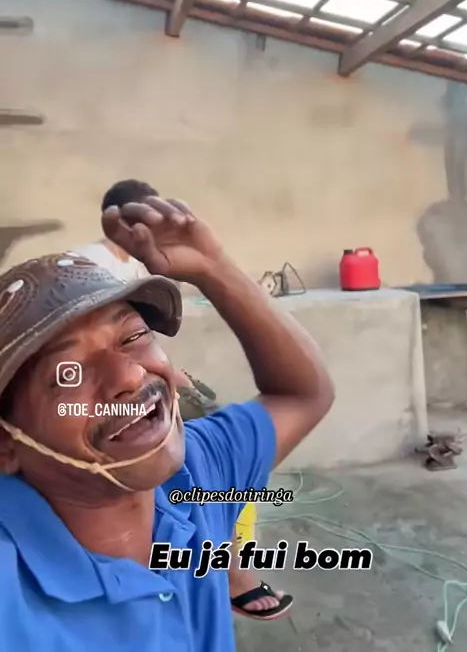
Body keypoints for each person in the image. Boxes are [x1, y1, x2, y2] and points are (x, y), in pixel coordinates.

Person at [0, 196, 335, 651]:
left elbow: (304, 393)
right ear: (6, 443)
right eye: (66, 374)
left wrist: (214, 268)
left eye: (134, 336)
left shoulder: (195, 476)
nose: (130, 375)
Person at [76, 179, 293, 619]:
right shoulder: (90, 266)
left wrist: (172, 373)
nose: (159, 230)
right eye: (150, 219)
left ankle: (226, 556)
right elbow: (100, 355)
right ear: (128, 221)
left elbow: (137, 341)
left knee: (230, 453)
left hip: (152, 383)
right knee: (214, 452)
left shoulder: (135, 265)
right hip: (116, 399)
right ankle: (228, 569)